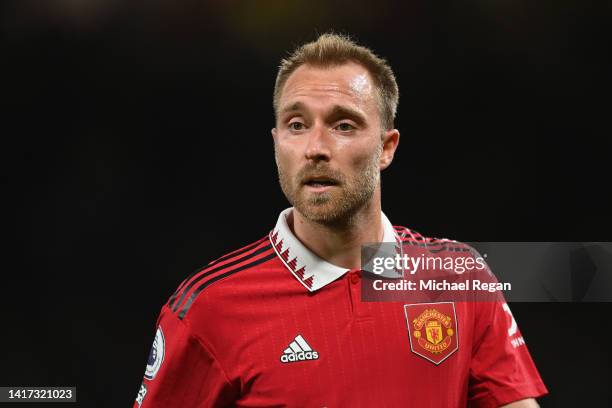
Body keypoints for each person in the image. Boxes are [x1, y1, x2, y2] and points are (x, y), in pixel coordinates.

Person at [133, 33, 548, 407]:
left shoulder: (458, 278)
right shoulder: (209, 308)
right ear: (277, 144)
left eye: (343, 125)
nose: (315, 147)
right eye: (296, 125)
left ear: (387, 148)